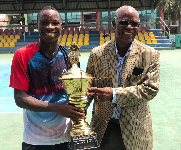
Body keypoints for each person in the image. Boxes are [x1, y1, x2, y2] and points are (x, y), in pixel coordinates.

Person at [9, 6, 85, 150]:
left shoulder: (71, 56)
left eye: (55, 23)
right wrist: (57, 108)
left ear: (61, 26)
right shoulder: (22, 55)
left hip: (66, 137)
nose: (50, 27)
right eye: (44, 23)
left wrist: (80, 107)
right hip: (35, 140)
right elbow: (20, 98)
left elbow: (75, 95)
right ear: (37, 25)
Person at [86, 5, 160, 150]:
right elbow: (88, 88)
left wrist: (114, 95)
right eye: (124, 22)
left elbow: (150, 89)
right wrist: (78, 110)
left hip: (135, 129)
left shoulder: (150, 55)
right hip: (103, 128)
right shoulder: (97, 54)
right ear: (114, 24)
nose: (129, 27)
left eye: (134, 24)